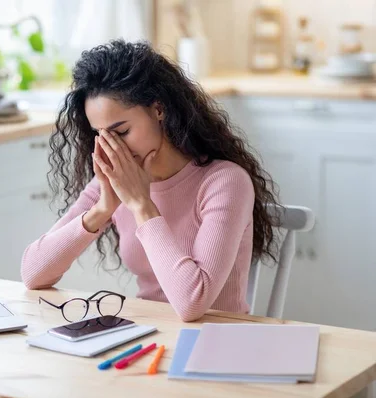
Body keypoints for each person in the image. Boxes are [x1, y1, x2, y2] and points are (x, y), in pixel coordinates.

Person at [20, 39, 279, 322]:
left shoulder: (224, 182)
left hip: (217, 342)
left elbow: (193, 303)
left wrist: (141, 205)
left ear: (158, 109)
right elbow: (33, 273)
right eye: (101, 135)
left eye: (121, 131)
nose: (112, 148)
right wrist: (101, 210)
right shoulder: (112, 186)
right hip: (147, 335)